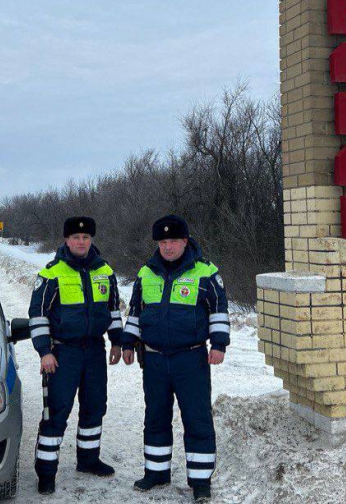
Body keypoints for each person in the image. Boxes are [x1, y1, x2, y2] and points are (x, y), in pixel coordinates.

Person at [121, 215, 229, 502]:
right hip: (154, 359)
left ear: (185, 241)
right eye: (163, 242)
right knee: (155, 416)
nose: (167, 247)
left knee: (197, 419)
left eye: (173, 241)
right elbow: (135, 311)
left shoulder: (205, 272)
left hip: (190, 358)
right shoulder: (146, 272)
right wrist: (128, 342)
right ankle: (156, 472)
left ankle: (200, 480)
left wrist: (219, 344)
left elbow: (219, 311)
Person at [28, 216, 123, 494]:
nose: (81, 242)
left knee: (95, 406)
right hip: (62, 352)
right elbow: (38, 316)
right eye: (75, 237)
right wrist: (44, 351)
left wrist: (117, 341)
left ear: (91, 240)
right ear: (66, 240)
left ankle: (89, 460)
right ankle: (46, 472)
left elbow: (113, 310)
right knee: (56, 411)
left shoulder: (105, 270)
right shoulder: (51, 273)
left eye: (86, 237)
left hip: (94, 350)